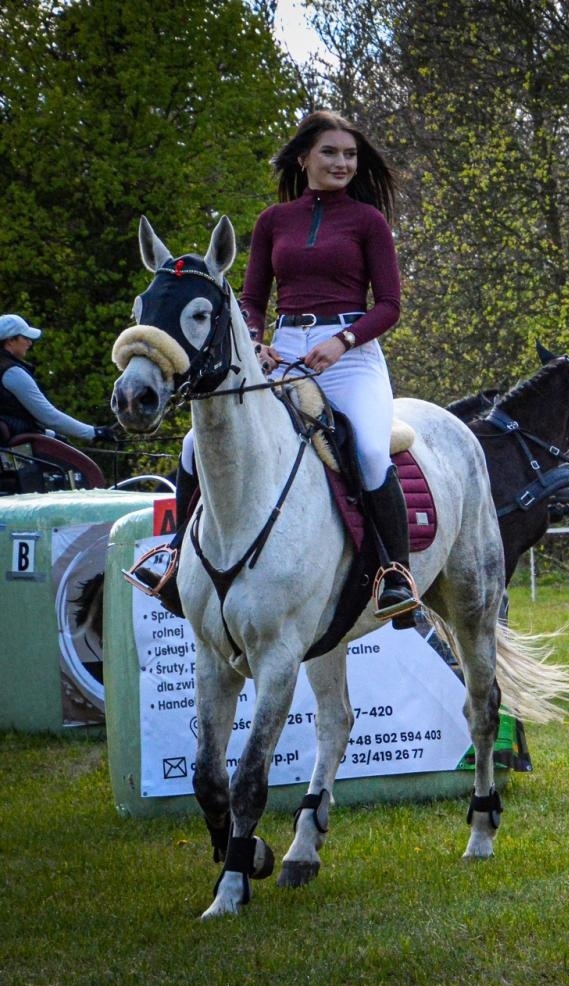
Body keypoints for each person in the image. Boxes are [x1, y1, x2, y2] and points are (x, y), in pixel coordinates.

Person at [128, 110, 416, 624]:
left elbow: (389, 305)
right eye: (330, 152)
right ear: (304, 157)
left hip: (351, 357)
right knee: (196, 444)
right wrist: (256, 341)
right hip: (283, 351)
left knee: (371, 450)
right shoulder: (272, 221)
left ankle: (394, 574)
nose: (342, 163)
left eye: (350, 155)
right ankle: (173, 556)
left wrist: (343, 341)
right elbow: (253, 298)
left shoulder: (369, 222)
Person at [0, 314, 117, 447]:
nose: (29, 343)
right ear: (10, 340)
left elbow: (14, 419)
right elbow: (49, 417)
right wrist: (94, 432)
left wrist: (51, 434)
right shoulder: (12, 372)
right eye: (25, 338)